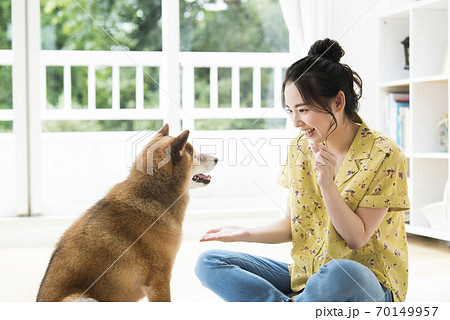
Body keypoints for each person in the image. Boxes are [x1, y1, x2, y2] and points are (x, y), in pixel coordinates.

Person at [194, 38, 410, 302]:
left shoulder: (384, 153)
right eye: (290, 111)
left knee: (339, 273)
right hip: (307, 275)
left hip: (365, 281)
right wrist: (246, 233)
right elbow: (291, 226)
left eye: (303, 110)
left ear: (338, 102)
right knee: (210, 262)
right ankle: (295, 306)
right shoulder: (300, 147)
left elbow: (356, 238)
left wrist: (327, 184)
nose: (296, 122)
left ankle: (293, 304)